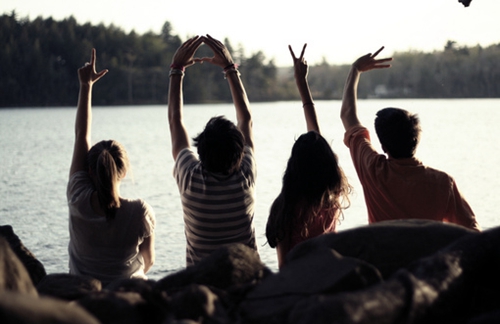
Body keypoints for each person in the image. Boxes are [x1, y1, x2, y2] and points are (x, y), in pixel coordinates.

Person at [340, 47, 480, 231]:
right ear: (416, 140)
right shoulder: (443, 183)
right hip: (428, 260)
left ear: (383, 146)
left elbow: (348, 114)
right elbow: (472, 232)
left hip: (382, 260)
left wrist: (355, 69)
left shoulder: (373, 170)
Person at [67, 49, 156, 285]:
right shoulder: (140, 212)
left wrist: (86, 86)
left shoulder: (77, 198)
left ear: (89, 172)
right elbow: (148, 261)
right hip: (130, 299)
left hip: (85, 300)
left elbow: (81, 136)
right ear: (124, 172)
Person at [167, 35, 258, 266]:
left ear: (201, 152)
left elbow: (175, 121)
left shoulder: (190, 178)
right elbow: (245, 118)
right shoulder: (245, 175)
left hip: (202, 288)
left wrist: (176, 70)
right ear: (239, 151)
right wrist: (230, 68)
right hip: (248, 284)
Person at [266, 44, 352, 268]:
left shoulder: (285, 207)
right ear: (328, 164)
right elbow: (317, 140)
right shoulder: (332, 196)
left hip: (299, 285)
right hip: (329, 277)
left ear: (293, 168)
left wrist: (300, 81)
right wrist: (301, 82)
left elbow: (284, 266)